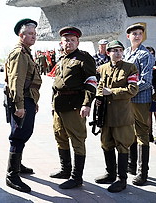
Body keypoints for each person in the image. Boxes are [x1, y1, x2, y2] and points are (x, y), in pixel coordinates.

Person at [50, 26, 97, 189]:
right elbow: (56, 85)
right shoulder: (62, 59)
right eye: (66, 40)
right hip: (59, 105)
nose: (69, 42)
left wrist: (87, 103)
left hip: (75, 105)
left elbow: (91, 82)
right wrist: (52, 106)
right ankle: (65, 170)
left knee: (77, 139)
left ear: (77, 42)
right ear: (61, 43)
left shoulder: (84, 58)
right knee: (60, 136)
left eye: (72, 40)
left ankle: (77, 177)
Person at [94, 40, 139, 193]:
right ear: (108, 53)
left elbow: (133, 89)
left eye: (120, 50)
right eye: (114, 50)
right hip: (106, 114)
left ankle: (122, 179)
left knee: (122, 145)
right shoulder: (103, 68)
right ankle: (110, 174)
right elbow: (100, 85)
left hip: (121, 115)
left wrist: (112, 92)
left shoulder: (130, 68)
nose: (118, 53)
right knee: (106, 143)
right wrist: (99, 97)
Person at [4, 19, 42, 193]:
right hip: (21, 99)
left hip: (28, 98)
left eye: (34, 33)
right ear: (21, 35)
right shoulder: (19, 53)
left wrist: (33, 101)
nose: (33, 36)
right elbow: (16, 81)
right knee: (19, 134)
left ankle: (17, 164)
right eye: (29, 33)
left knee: (25, 132)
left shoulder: (26, 52)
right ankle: (12, 175)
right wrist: (20, 105)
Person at [123, 23, 154, 186]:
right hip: (128, 100)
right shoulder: (127, 53)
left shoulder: (145, 54)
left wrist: (128, 92)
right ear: (128, 36)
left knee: (142, 134)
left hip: (140, 99)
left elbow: (147, 81)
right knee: (130, 132)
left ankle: (143, 173)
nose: (137, 36)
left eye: (140, 33)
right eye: (134, 33)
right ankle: (131, 165)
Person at [146, 47, 156, 145]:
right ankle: (149, 135)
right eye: (149, 54)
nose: (151, 56)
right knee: (148, 115)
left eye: (153, 54)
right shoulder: (144, 65)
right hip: (147, 93)